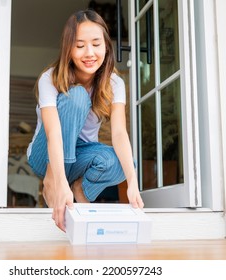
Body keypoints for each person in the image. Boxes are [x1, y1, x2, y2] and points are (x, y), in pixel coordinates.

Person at [27, 9, 144, 232]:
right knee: (77, 96)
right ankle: (54, 181)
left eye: (96, 44)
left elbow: (119, 133)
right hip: (46, 155)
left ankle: (79, 189)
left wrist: (132, 182)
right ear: (68, 49)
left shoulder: (115, 83)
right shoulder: (49, 78)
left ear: (106, 46)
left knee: (124, 163)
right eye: (80, 46)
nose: (89, 53)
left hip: (81, 155)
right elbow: (53, 134)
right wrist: (58, 181)